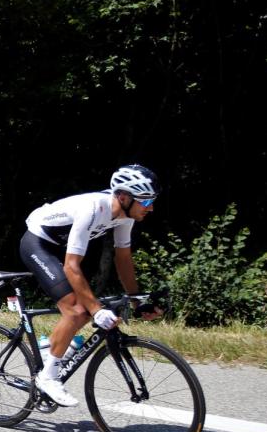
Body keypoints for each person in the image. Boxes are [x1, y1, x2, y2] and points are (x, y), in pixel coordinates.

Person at [20, 164, 163, 407]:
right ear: (124, 197)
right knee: (78, 310)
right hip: (39, 244)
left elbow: (123, 258)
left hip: (61, 251)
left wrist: (137, 300)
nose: (150, 208)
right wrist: (96, 311)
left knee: (89, 307)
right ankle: (47, 378)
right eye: (146, 202)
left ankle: (52, 346)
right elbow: (71, 267)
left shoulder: (126, 216)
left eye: (151, 202)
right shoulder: (94, 208)